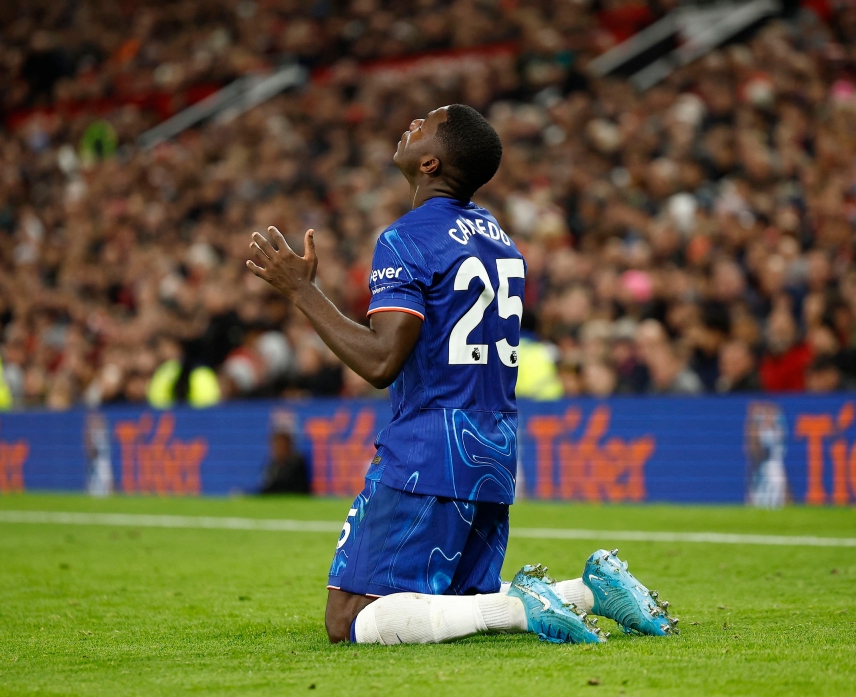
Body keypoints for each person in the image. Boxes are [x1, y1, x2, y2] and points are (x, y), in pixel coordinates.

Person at [246, 104, 676, 646]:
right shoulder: (497, 235)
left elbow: (382, 362)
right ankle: (589, 592)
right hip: (494, 451)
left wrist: (302, 292)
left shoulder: (406, 239)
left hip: (428, 450)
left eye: (422, 125)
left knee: (348, 620)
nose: (409, 124)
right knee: (458, 605)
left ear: (430, 163)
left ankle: (525, 608)